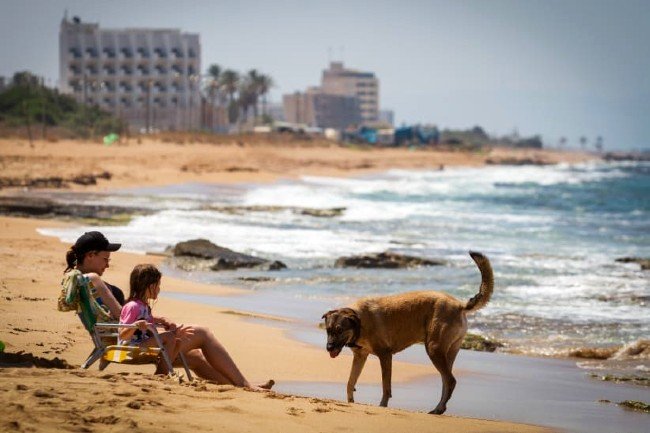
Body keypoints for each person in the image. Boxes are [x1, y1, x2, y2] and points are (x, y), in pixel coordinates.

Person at [65, 231, 273, 389]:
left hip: (119, 337)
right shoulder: (93, 279)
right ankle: (246, 385)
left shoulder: (82, 279)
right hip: (128, 342)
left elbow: (124, 315)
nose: (107, 264)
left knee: (197, 358)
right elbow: (123, 317)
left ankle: (239, 387)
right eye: (105, 259)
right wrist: (162, 329)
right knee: (203, 333)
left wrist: (156, 319)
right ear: (90, 256)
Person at [119, 264, 183, 375]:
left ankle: (161, 372)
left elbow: (148, 319)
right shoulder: (132, 306)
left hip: (141, 343)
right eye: (158, 285)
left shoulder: (144, 306)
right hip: (130, 347)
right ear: (149, 286)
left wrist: (164, 320)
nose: (159, 289)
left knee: (178, 342)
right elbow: (122, 335)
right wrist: (135, 325)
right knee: (169, 337)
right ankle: (162, 374)